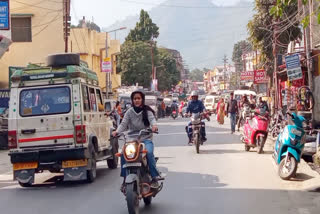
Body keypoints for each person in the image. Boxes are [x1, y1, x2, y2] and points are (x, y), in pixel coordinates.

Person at [112, 90, 162, 189]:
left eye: (138, 98)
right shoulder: (129, 112)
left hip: (145, 138)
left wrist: (154, 126)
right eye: (135, 99)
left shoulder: (147, 111)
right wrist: (117, 132)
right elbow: (123, 124)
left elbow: (152, 120)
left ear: (142, 99)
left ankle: (154, 177)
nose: (137, 100)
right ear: (132, 100)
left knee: (149, 153)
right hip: (131, 140)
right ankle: (125, 179)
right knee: (123, 154)